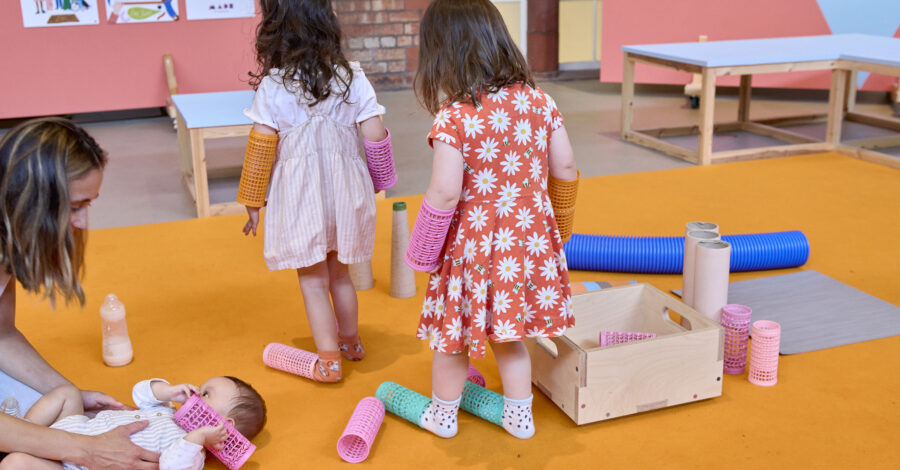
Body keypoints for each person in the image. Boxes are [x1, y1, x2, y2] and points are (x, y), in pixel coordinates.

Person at [405, 0, 580, 439]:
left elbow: (444, 191)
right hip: (526, 246)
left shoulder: (455, 116)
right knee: (510, 335)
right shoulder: (541, 102)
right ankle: (519, 416)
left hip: (475, 251)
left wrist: (422, 249)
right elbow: (566, 168)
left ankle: (443, 416)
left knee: (454, 338)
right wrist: (557, 225)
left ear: (440, 56)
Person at [236, 0, 397, 383]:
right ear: (328, 23)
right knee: (341, 275)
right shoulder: (351, 78)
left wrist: (253, 203)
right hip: (345, 192)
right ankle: (352, 341)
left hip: (300, 196)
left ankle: (328, 358)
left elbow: (261, 146)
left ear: (275, 29)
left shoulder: (274, 86)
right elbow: (374, 136)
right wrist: (378, 181)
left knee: (312, 280)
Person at [0, 117, 161, 468]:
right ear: (31, 199)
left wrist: (75, 394)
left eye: (88, 204)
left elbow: (2, 334)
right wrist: (81, 447)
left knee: (54, 408)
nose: (82, 223)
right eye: (74, 207)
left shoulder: (7, 238)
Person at [1, 376, 266, 470]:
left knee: (15, 464)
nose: (197, 392)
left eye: (206, 394)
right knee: (67, 392)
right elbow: (139, 393)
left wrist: (199, 438)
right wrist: (168, 391)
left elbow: (172, 466)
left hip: (75, 465)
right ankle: (23, 428)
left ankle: (19, 444)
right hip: (77, 427)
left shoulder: (190, 452)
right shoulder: (169, 411)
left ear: (225, 425)